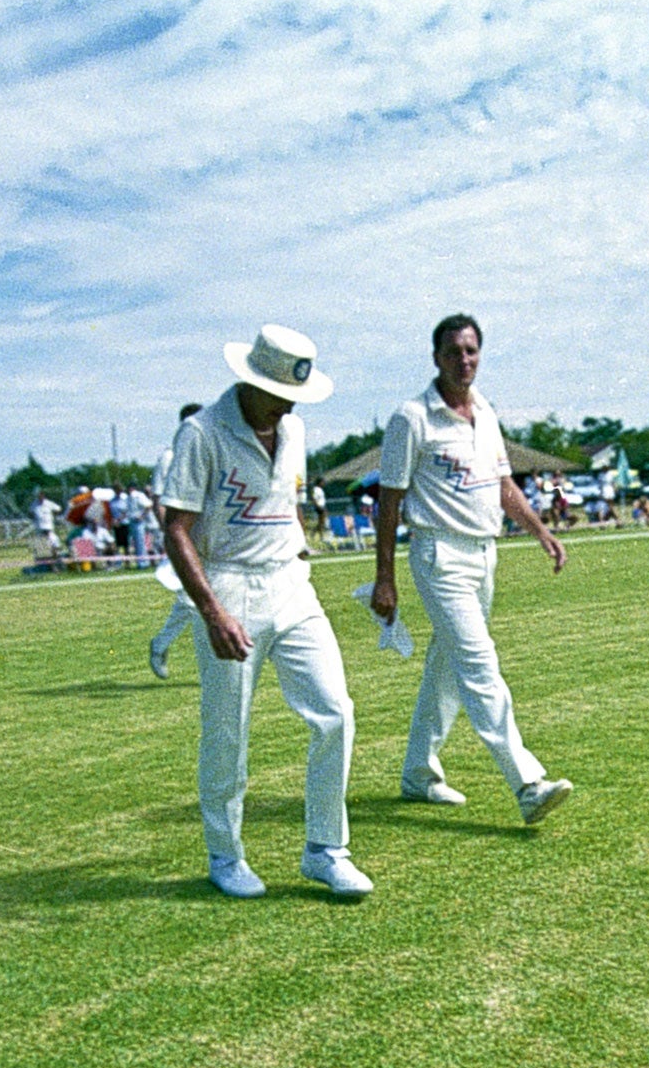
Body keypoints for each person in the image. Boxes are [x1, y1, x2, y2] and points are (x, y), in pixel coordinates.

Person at [158, 327, 372, 899]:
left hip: (293, 586)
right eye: (277, 391)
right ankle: (225, 856)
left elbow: (288, 504)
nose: (288, 404)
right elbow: (175, 527)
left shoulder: (294, 428)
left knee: (336, 712)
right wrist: (211, 610)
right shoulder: (200, 432)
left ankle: (327, 849)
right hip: (230, 589)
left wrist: (298, 553)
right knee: (228, 733)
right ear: (249, 380)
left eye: (294, 393)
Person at [369, 314, 574, 823]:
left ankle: (419, 772)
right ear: (435, 357)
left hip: (485, 553)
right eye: (454, 352)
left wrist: (541, 531)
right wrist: (385, 577)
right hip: (439, 556)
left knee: (446, 670)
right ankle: (527, 783)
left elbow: (504, 486)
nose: (464, 361)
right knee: (480, 665)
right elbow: (388, 502)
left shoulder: (485, 412)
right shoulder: (412, 418)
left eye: (472, 351)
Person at [149, 402, 204, 680]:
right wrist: (172, 536)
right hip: (182, 537)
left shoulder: (206, 453)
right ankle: (160, 645)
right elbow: (158, 500)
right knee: (190, 600)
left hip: (208, 538)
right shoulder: (169, 457)